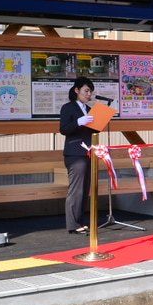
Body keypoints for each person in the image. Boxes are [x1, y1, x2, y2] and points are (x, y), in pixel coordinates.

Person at [59, 76, 97, 234]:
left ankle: (80, 221)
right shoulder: (68, 107)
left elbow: (94, 130)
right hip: (75, 153)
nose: (89, 94)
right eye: (86, 91)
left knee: (85, 188)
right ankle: (73, 224)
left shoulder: (88, 109)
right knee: (76, 189)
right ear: (77, 90)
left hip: (88, 151)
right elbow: (64, 129)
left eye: (91, 92)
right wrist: (78, 122)